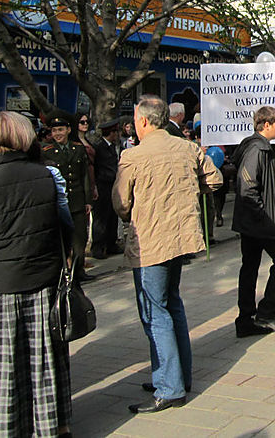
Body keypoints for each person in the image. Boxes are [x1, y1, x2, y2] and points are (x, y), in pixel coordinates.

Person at [0, 110, 73, 437]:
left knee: (0, 368)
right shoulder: (49, 175)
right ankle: (51, 426)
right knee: (44, 363)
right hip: (44, 281)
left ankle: (4, 428)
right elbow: (65, 227)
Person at [113, 95, 222, 413]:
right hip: (180, 239)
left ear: (144, 121)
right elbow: (215, 180)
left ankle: (170, 386)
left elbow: (121, 203)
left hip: (150, 244)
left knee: (155, 312)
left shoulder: (133, 156)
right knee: (172, 305)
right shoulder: (187, 147)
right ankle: (175, 376)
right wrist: (188, 195)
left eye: (135, 118)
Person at [231, 107, 275, 337]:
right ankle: (266, 313)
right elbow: (247, 187)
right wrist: (266, 219)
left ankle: (246, 319)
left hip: (253, 221)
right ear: (266, 125)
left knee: (249, 267)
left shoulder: (256, 146)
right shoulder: (257, 149)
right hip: (259, 222)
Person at [43, 113, 94, 282]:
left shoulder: (78, 148)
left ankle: (78, 271)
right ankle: (64, 272)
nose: (58, 133)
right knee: (61, 240)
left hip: (77, 200)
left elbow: (84, 176)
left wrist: (88, 200)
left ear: (68, 130)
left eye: (61, 129)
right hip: (59, 202)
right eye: (54, 130)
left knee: (80, 238)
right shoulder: (47, 152)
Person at [90, 118, 121, 259]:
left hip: (113, 184)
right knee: (101, 217)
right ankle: (98, 246)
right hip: (102, 185)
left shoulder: (112, 147)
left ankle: (111, 243)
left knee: (112, 216)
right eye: (115, 132)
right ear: (111, 133)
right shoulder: (99, 147)